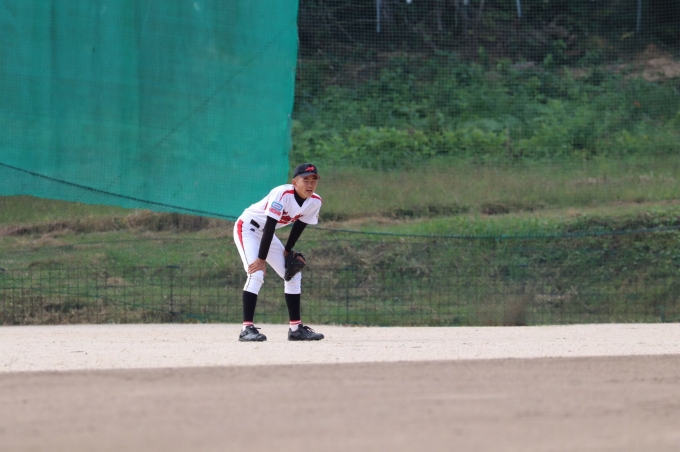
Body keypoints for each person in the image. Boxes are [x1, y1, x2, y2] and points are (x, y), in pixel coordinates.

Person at [232, 163, 325, 342]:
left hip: (266, 234)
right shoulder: (282, 193)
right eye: (305, 180)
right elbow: (270, 226)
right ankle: (246, 329)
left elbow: (298, 227)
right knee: (256, 272)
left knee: (293, 274)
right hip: (248, 228)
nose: (310, 184)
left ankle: (296, 330)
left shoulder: (315, 201)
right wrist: (261, 260)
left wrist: (288, 252)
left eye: (314, 180)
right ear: (295, 182)